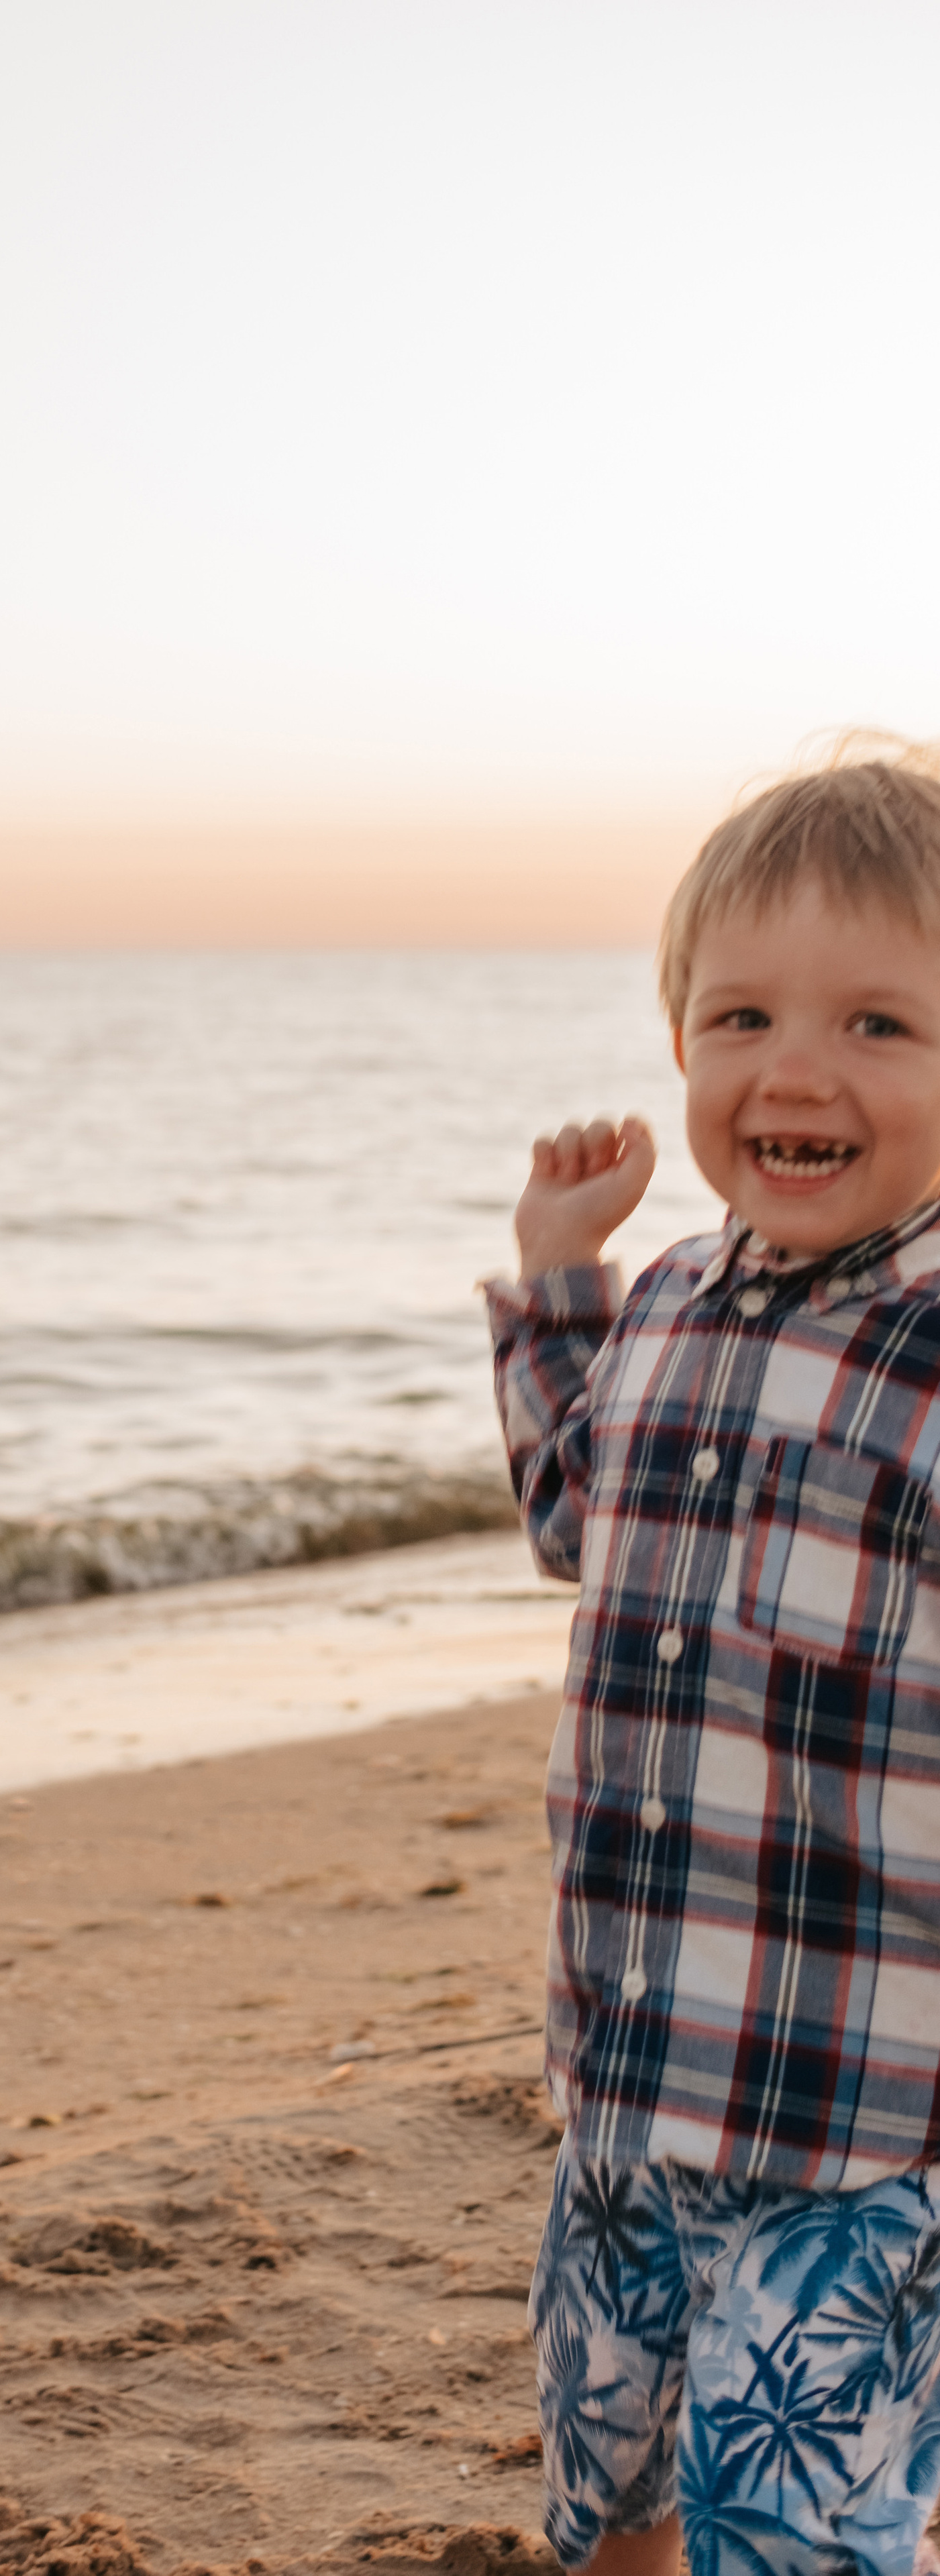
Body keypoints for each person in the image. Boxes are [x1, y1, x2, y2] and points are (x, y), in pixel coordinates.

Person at [486, 750, 940, 2576]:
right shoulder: (667, 1298)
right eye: (739, 1013)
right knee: (607, 2479)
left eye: (884, 1023)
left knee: (803, 2530)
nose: (796, 1070)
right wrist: (557, 1277)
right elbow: (571, 1516)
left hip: (864, 2105)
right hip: (626, 2064)